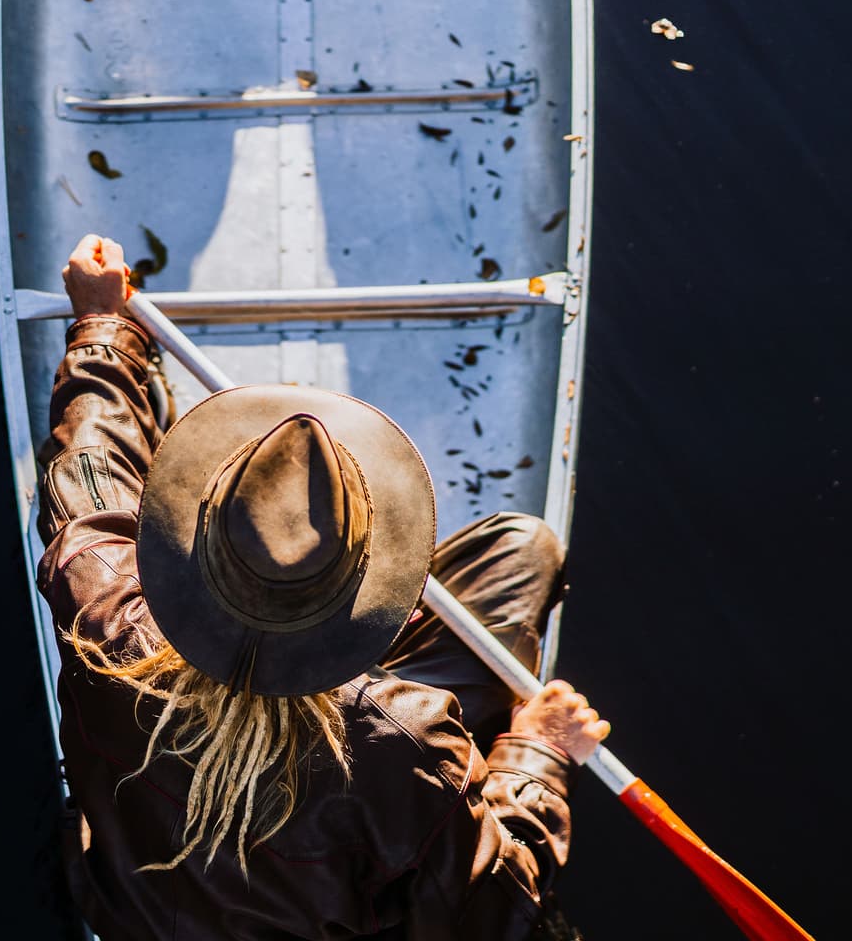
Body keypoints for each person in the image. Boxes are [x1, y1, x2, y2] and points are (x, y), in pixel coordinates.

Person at [37, 234, 611, 940]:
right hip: (358, 774)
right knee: (524, 551)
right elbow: (498, 914)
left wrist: (102, 325)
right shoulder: (405, 738)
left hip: (130, 913)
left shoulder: (102, 606)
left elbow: (90, 463)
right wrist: (539, 754)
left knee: (523, 549)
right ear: (361, 592)